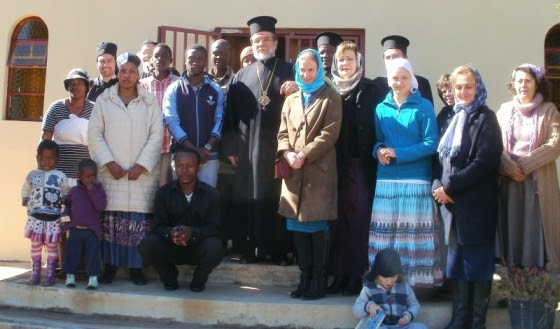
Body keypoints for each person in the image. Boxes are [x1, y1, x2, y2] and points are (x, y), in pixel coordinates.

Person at [223, 16, 297, 265]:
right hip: (248, 150)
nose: (261, 44)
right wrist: (231, 148)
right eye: (257, 40)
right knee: (249, 197)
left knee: (278, 197)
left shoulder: (291, 72)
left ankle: (278, 250)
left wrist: (298, 88)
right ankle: (249, 249)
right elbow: (230, 116)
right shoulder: (241, 76)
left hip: (280, 149)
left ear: (275, 42)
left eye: (266, 39)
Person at [432, 65, 502, 329]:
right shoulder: (450, 117)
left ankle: (476, 323)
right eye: (458, 87)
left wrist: (450, 188)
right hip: (452, 208)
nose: (462, 92)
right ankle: (459, 320)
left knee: (478, 266)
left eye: (468, 86)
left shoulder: (486, 118)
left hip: (476, 206)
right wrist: (437, 186)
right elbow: (438, 159)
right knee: (458, 265)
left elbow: (484, 161)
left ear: (478, 87)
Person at [88, 53, 163, 285]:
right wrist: (109, 163)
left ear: (139, 74)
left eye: (132, 71)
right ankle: (109, 267)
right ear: (117, 73)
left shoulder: (150, 101)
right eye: (123, 71)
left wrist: (142, 165)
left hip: (140, 175)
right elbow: (94, 134)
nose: (127, 75)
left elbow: (156, 135)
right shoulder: (104, 100)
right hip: (113, 173)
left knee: (138, 224)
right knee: (111, 221)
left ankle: (136, 269)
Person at [369, 58, 441, 288]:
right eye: (394, 78)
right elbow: (378, 140)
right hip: (387, 179)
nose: (399, 82)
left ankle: (414, 285)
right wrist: (378, 151)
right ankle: (384, 281)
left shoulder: (424, 106)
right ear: (388, 80)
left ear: (412, 80)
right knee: (387, 234)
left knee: (410, 236)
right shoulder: (380, 108)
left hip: (416, 179)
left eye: (404, 77)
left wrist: (399, 153)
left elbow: (431, 144)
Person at [277, 48, 342, 300]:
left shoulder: (330, 96)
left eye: (311, 70)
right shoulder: (291, 98)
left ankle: (318, 280)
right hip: (293, 172)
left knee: (316, 225)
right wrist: (287, 153)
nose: (306, 75)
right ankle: (304, 279)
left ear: (319, 70)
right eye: (302, 70)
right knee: (296, 225)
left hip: (318, 170)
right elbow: (282, 132)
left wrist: (303, 154)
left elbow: (330, 133)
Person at [327, 41, 384, 296]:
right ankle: (338, 274)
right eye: (341, 60)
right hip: (333, 166)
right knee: (336, 222)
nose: (345, 64)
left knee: (359, 221)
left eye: (350, 59)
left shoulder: (371, 89)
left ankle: (356, 274)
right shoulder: (328, 89)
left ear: (358, 62)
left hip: (360, 166)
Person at [496, 64, 560, 271]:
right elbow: (494, 143)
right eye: (519, 80)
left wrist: (523, 165)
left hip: (537, 183)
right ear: (513, 84)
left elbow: (555, 144)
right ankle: (513, 282)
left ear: (537, 84)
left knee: (534, 229)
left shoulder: (549, 111)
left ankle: (536, 282)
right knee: (512, 227)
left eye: (528, 81)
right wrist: (508, 166)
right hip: (509, 180)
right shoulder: (505, 110)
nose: (523, 85)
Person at [138, 149, 224, 292]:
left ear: (199, 168)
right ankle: (169, 277)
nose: (184, 170)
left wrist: (193, 232)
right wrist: (170, 233)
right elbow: (158, 226)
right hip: (171, 246)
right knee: (147, 244)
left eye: (189, 166)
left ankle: (199, 279)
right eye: (179, 165)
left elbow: (215, 227)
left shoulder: (211, 194)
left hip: (198, 247)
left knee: (216, 246)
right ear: (174, 167)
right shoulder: (163, 193)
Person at [41, 68, 93, 272]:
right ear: (67, 86)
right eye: (71, 83)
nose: (75, 86)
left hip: (84, 181)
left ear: (87, 87)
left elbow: (99, 140)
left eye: (79, 82)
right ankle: (56, 262)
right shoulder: (56, 108)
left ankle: (78, 266)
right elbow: (45, 139)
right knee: (57, 221)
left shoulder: (95, 110)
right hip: (59, 178)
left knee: (81, 221)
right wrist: (44, 172)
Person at [163, 44, 224, 187]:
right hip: (182, 156)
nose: (195, 62)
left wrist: (207, 148)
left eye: (200, 59)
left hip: (208, 157)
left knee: (207, 201)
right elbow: (171, 121)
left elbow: (220, 120)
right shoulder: (174, 89)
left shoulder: (215, 90)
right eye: (191, 58)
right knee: (180, 202)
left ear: (205, 62)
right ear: (185, 61)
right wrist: (192, 149)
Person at [22, 140, 70, 286]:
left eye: (51, 158)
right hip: (35, 218)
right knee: (35, 245)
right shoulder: (32, 175)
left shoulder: (61, 176)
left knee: (52, 246)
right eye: (43, 158)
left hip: (53, 219)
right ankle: (35, 274)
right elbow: (25, 188)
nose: (46, 161)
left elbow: (66, 191)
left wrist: (64, 200)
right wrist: (24, 198)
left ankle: (50, 275)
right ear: (38, 158)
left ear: (57, 160)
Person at [352, 248, 427, 329]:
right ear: (377, 273)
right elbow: (356, 310)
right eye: (385, 277)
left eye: (393, 277)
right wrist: (369, 306)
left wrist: (409, 315)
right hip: (381, 326)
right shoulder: (369, 288)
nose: (389, 281)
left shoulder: (404, 286)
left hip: (402, 326)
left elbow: (414, 304)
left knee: (421, 327)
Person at [62, 159, 107, 290]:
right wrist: (65, 222)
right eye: (87, 176)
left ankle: (93, 277)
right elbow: (68, 207)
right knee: (72, 252)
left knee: (93, 254)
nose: (90, 179)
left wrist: (92, 191)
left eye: (93, 176)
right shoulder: (74, 191)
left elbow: (101, 206)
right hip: (75, 229)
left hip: (91, 230)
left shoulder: (98, 190)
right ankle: (70, 276)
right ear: (79, 176)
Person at [140, 43, 180, 186]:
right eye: (156, 56)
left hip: (170, 146)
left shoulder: (179, 84)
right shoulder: (142, 85)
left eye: (164, 56)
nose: (160, 59)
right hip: (147, 145)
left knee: (166, 187)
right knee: (147, 188)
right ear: (151, 59)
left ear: (171, 60)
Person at [372, 35, 433, 105]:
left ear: (405, 58)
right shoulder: (375, 85)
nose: (391, 61)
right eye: (387, 57)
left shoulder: (422, 83)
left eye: (395, 56)